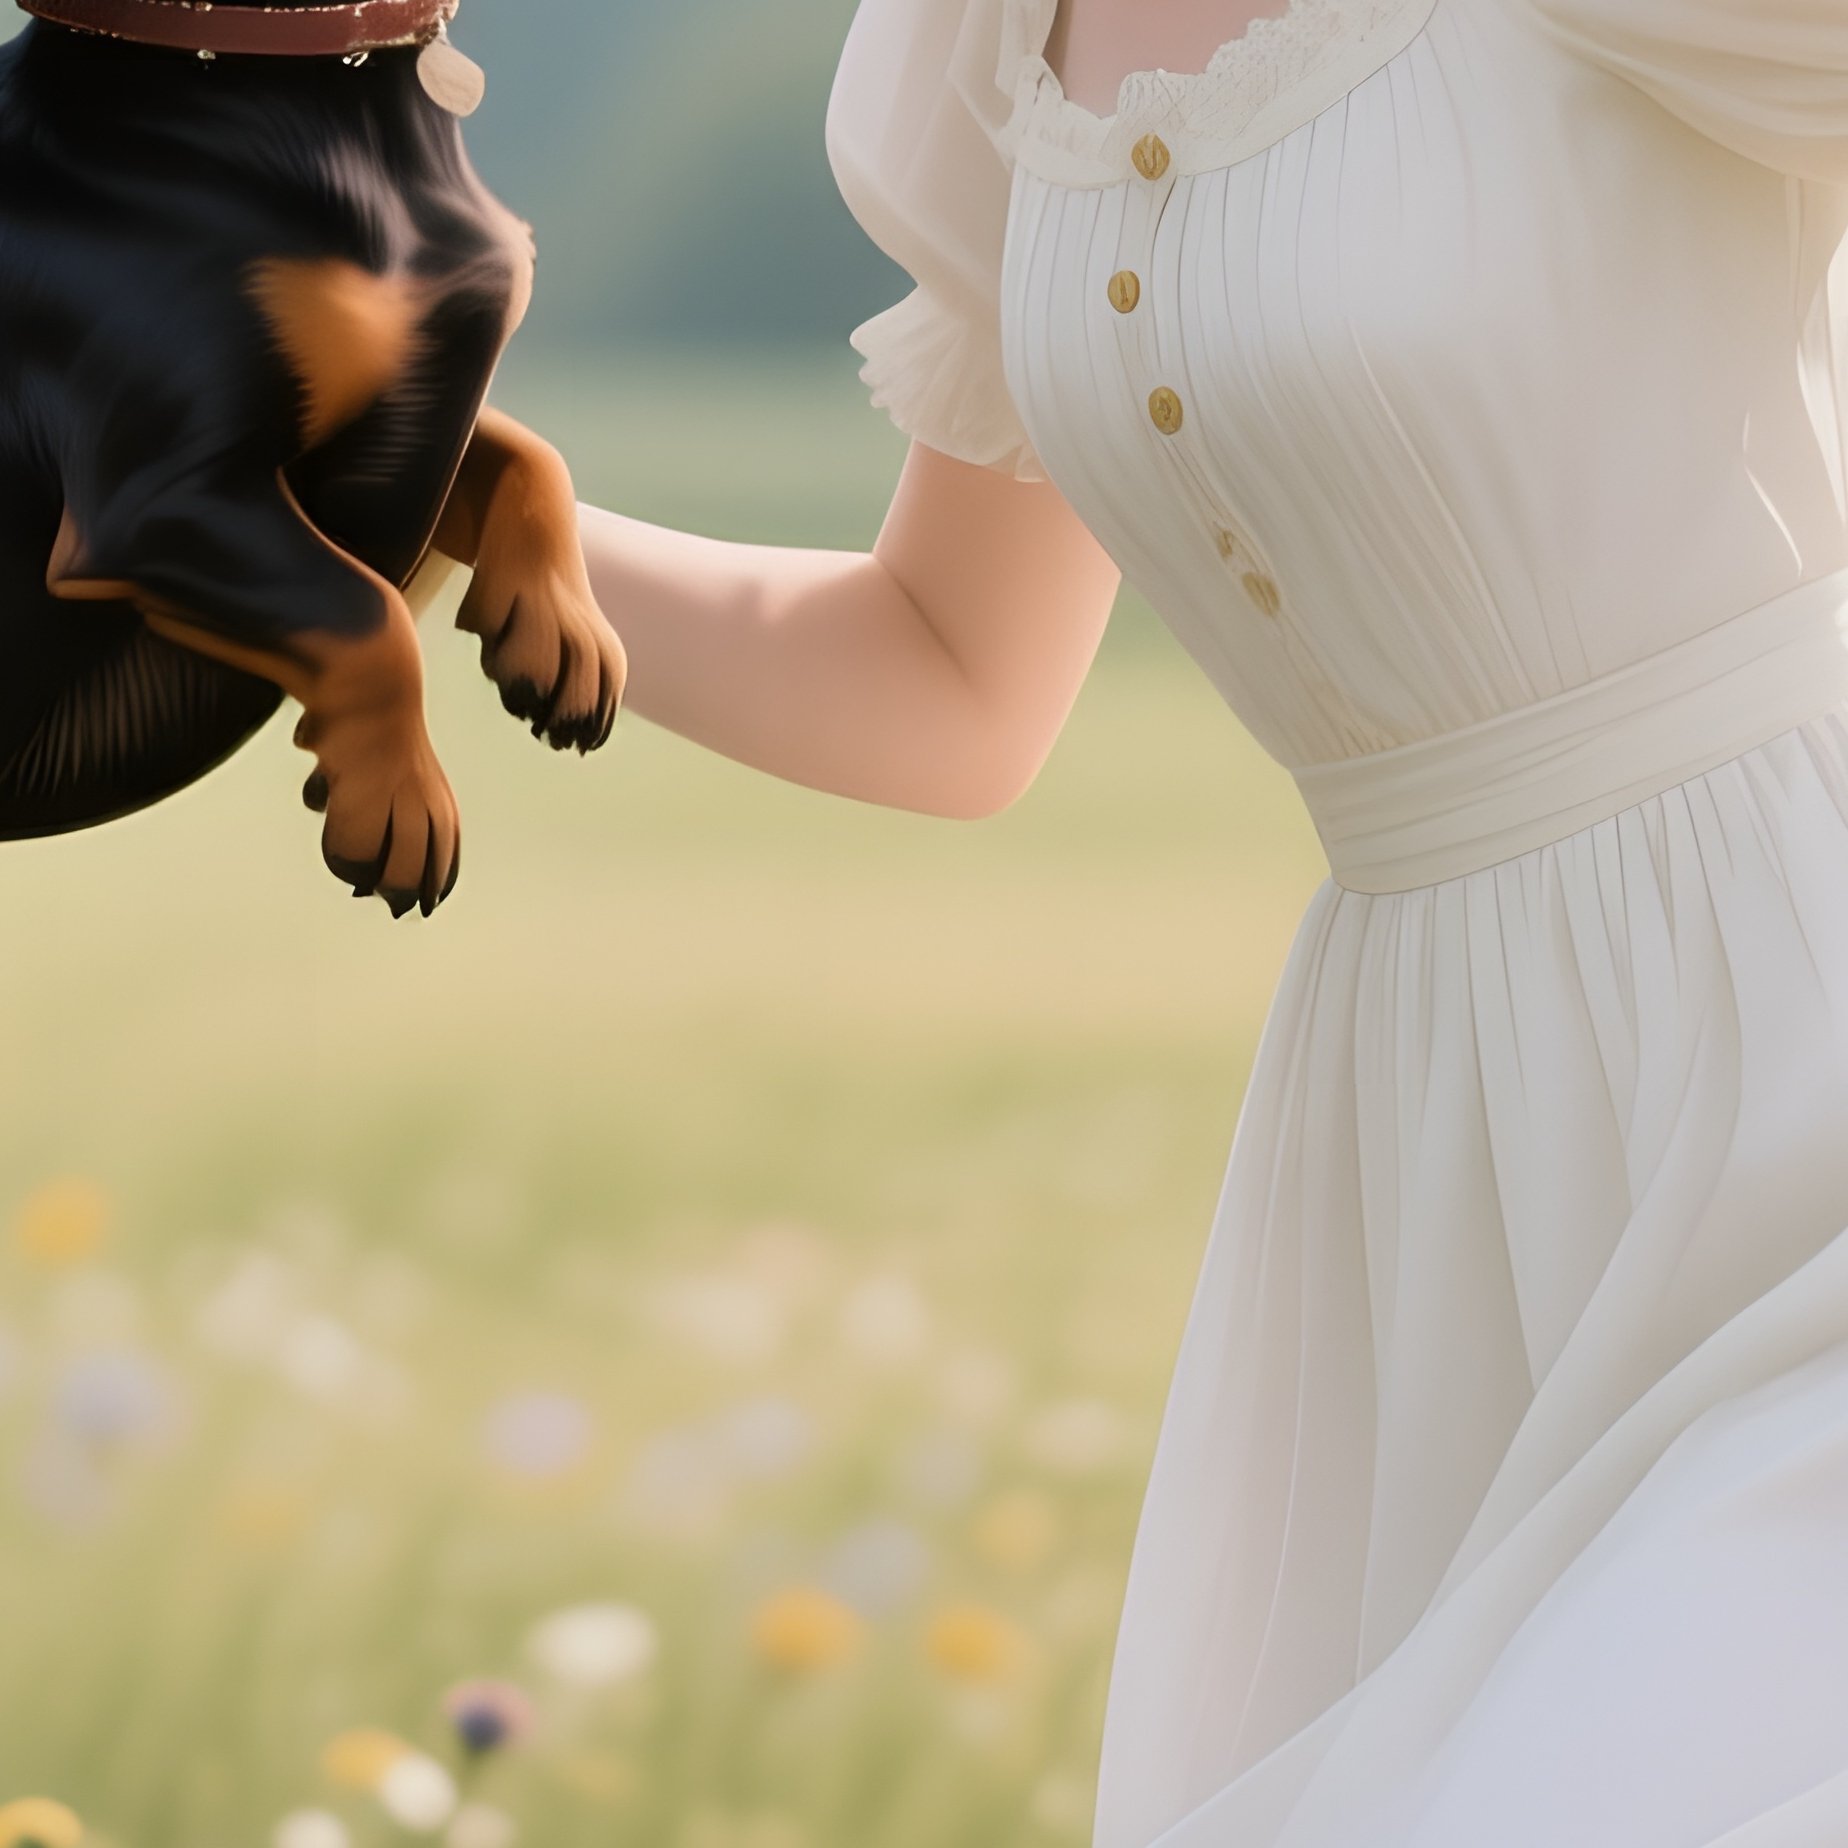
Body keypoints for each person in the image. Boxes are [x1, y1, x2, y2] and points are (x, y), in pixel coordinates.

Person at [576, 0, 1848, 1840]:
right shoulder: (988, 42)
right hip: (1438, 1175)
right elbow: (949, 675)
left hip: (1800, 1030)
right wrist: (438, 485)